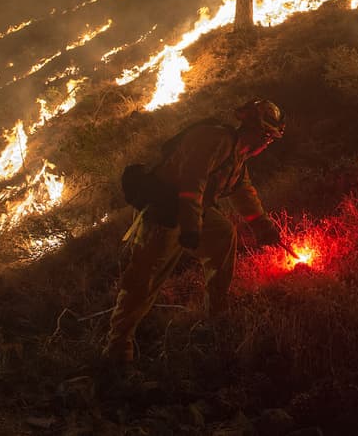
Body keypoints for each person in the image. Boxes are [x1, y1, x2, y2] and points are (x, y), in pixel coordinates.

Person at [102, 99, 287, 366]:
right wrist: (191, 226)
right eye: (268, 137)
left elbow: (243, 193)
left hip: (192, 212)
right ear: (256, 130)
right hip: (163, 212)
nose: (267, 144)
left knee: (224, 232)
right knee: (145, 278)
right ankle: (118, 347)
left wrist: (264, 228)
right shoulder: (215, 139)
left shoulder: (237, 157)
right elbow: (191, 182)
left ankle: (217, 311)